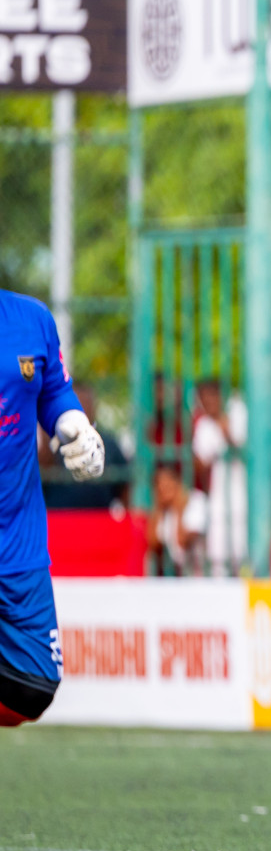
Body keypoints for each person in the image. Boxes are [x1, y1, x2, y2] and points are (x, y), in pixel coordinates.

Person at [0, 290, 105, 726]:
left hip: (18, 538)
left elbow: (54, 391)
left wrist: (75, 425)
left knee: (33, 687)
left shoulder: (32, 319)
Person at [40, 382, 128, 510]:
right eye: (77, 404)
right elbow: (41, 473)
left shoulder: (108, 443)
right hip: (58, 520)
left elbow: (125, 486)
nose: (82, 409)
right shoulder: (53, 442)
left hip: (100, 522)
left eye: (86, 403)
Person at [192, 379, 247, 575]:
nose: (207, 401)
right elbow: (200, 467)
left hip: (243, 500)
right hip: (217, 504)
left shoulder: (239, 414)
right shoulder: (203, 426)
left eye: (211, 396)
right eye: (203, 398)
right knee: (218, 561)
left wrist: (227, 435)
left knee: (244, 559)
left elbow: (248, 454)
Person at [147, 463, 209, 576]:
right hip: (177, 578)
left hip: (201, 574)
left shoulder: (197, 501)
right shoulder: (165, 511)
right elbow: (153, 543)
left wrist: (179, 507)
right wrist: (159, 507)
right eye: (159, 488)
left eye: (167, 485)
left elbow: (183, 542)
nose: (164, 491)